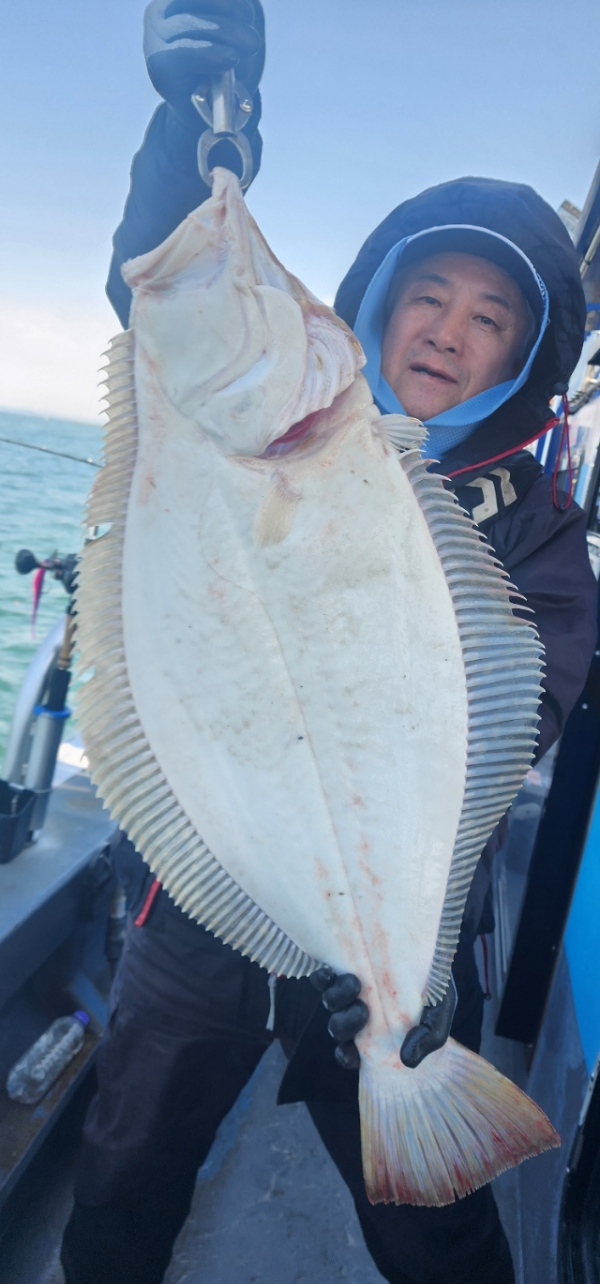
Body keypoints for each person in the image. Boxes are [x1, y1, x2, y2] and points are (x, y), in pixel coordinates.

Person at [61, 4, 598, 1283]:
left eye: (488, 323)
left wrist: (407, 978)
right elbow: (164, 282)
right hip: (207, 894)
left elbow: (529, 699)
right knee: (130, 1162)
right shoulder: (284, 411)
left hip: (396, 926)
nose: (446, 334)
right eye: (428, 297)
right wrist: (194, 112)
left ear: (519, 364)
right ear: (376, 297)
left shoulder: (538, 530)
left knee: (432, 1231)